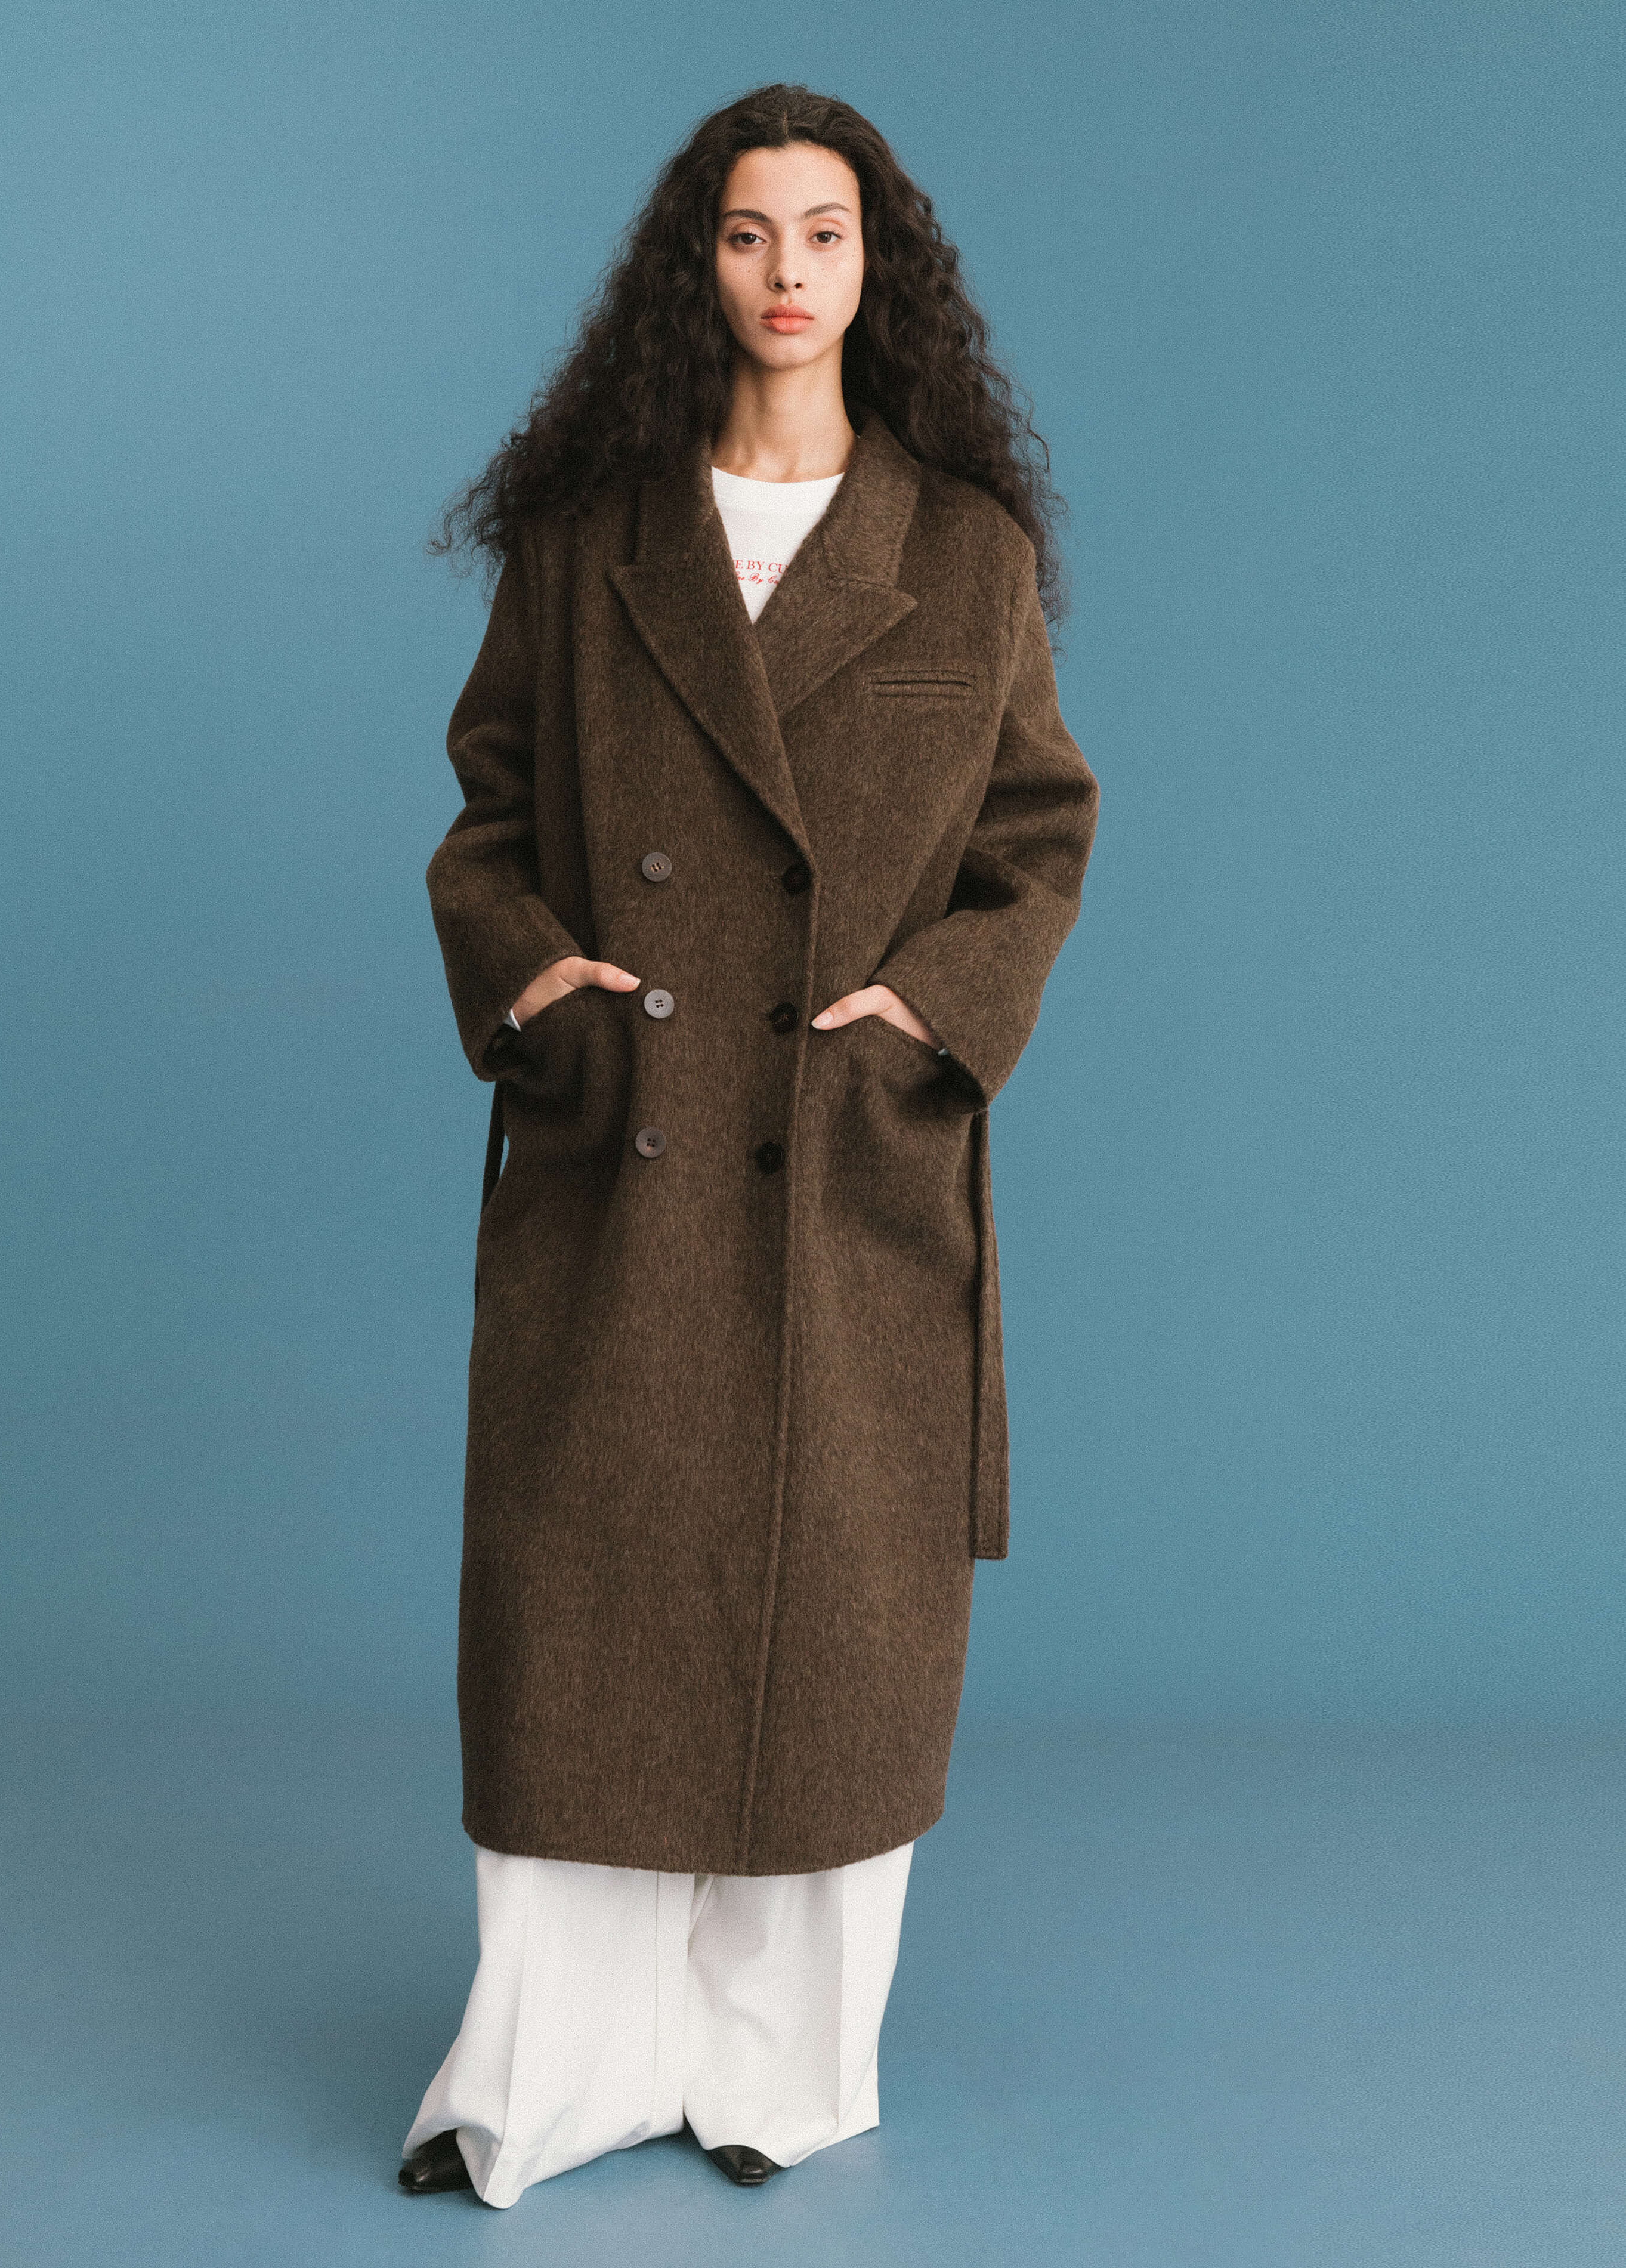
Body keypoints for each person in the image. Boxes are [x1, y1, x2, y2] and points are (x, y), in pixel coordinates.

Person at [399, 81, 1099, 2209]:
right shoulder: (584, 537)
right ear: (687, 267)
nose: (786, 273)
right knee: (581, 1621)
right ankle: (553, 2073)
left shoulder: (962, 551)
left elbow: (1034, 839)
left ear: (879, 269)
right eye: (743, 234)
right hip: (626, 1148)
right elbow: (488, 821)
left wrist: (932, 1021)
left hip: (838, 1169)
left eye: (823, 234)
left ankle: (769, 2071)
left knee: (831, 1634)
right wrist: (540, 992)